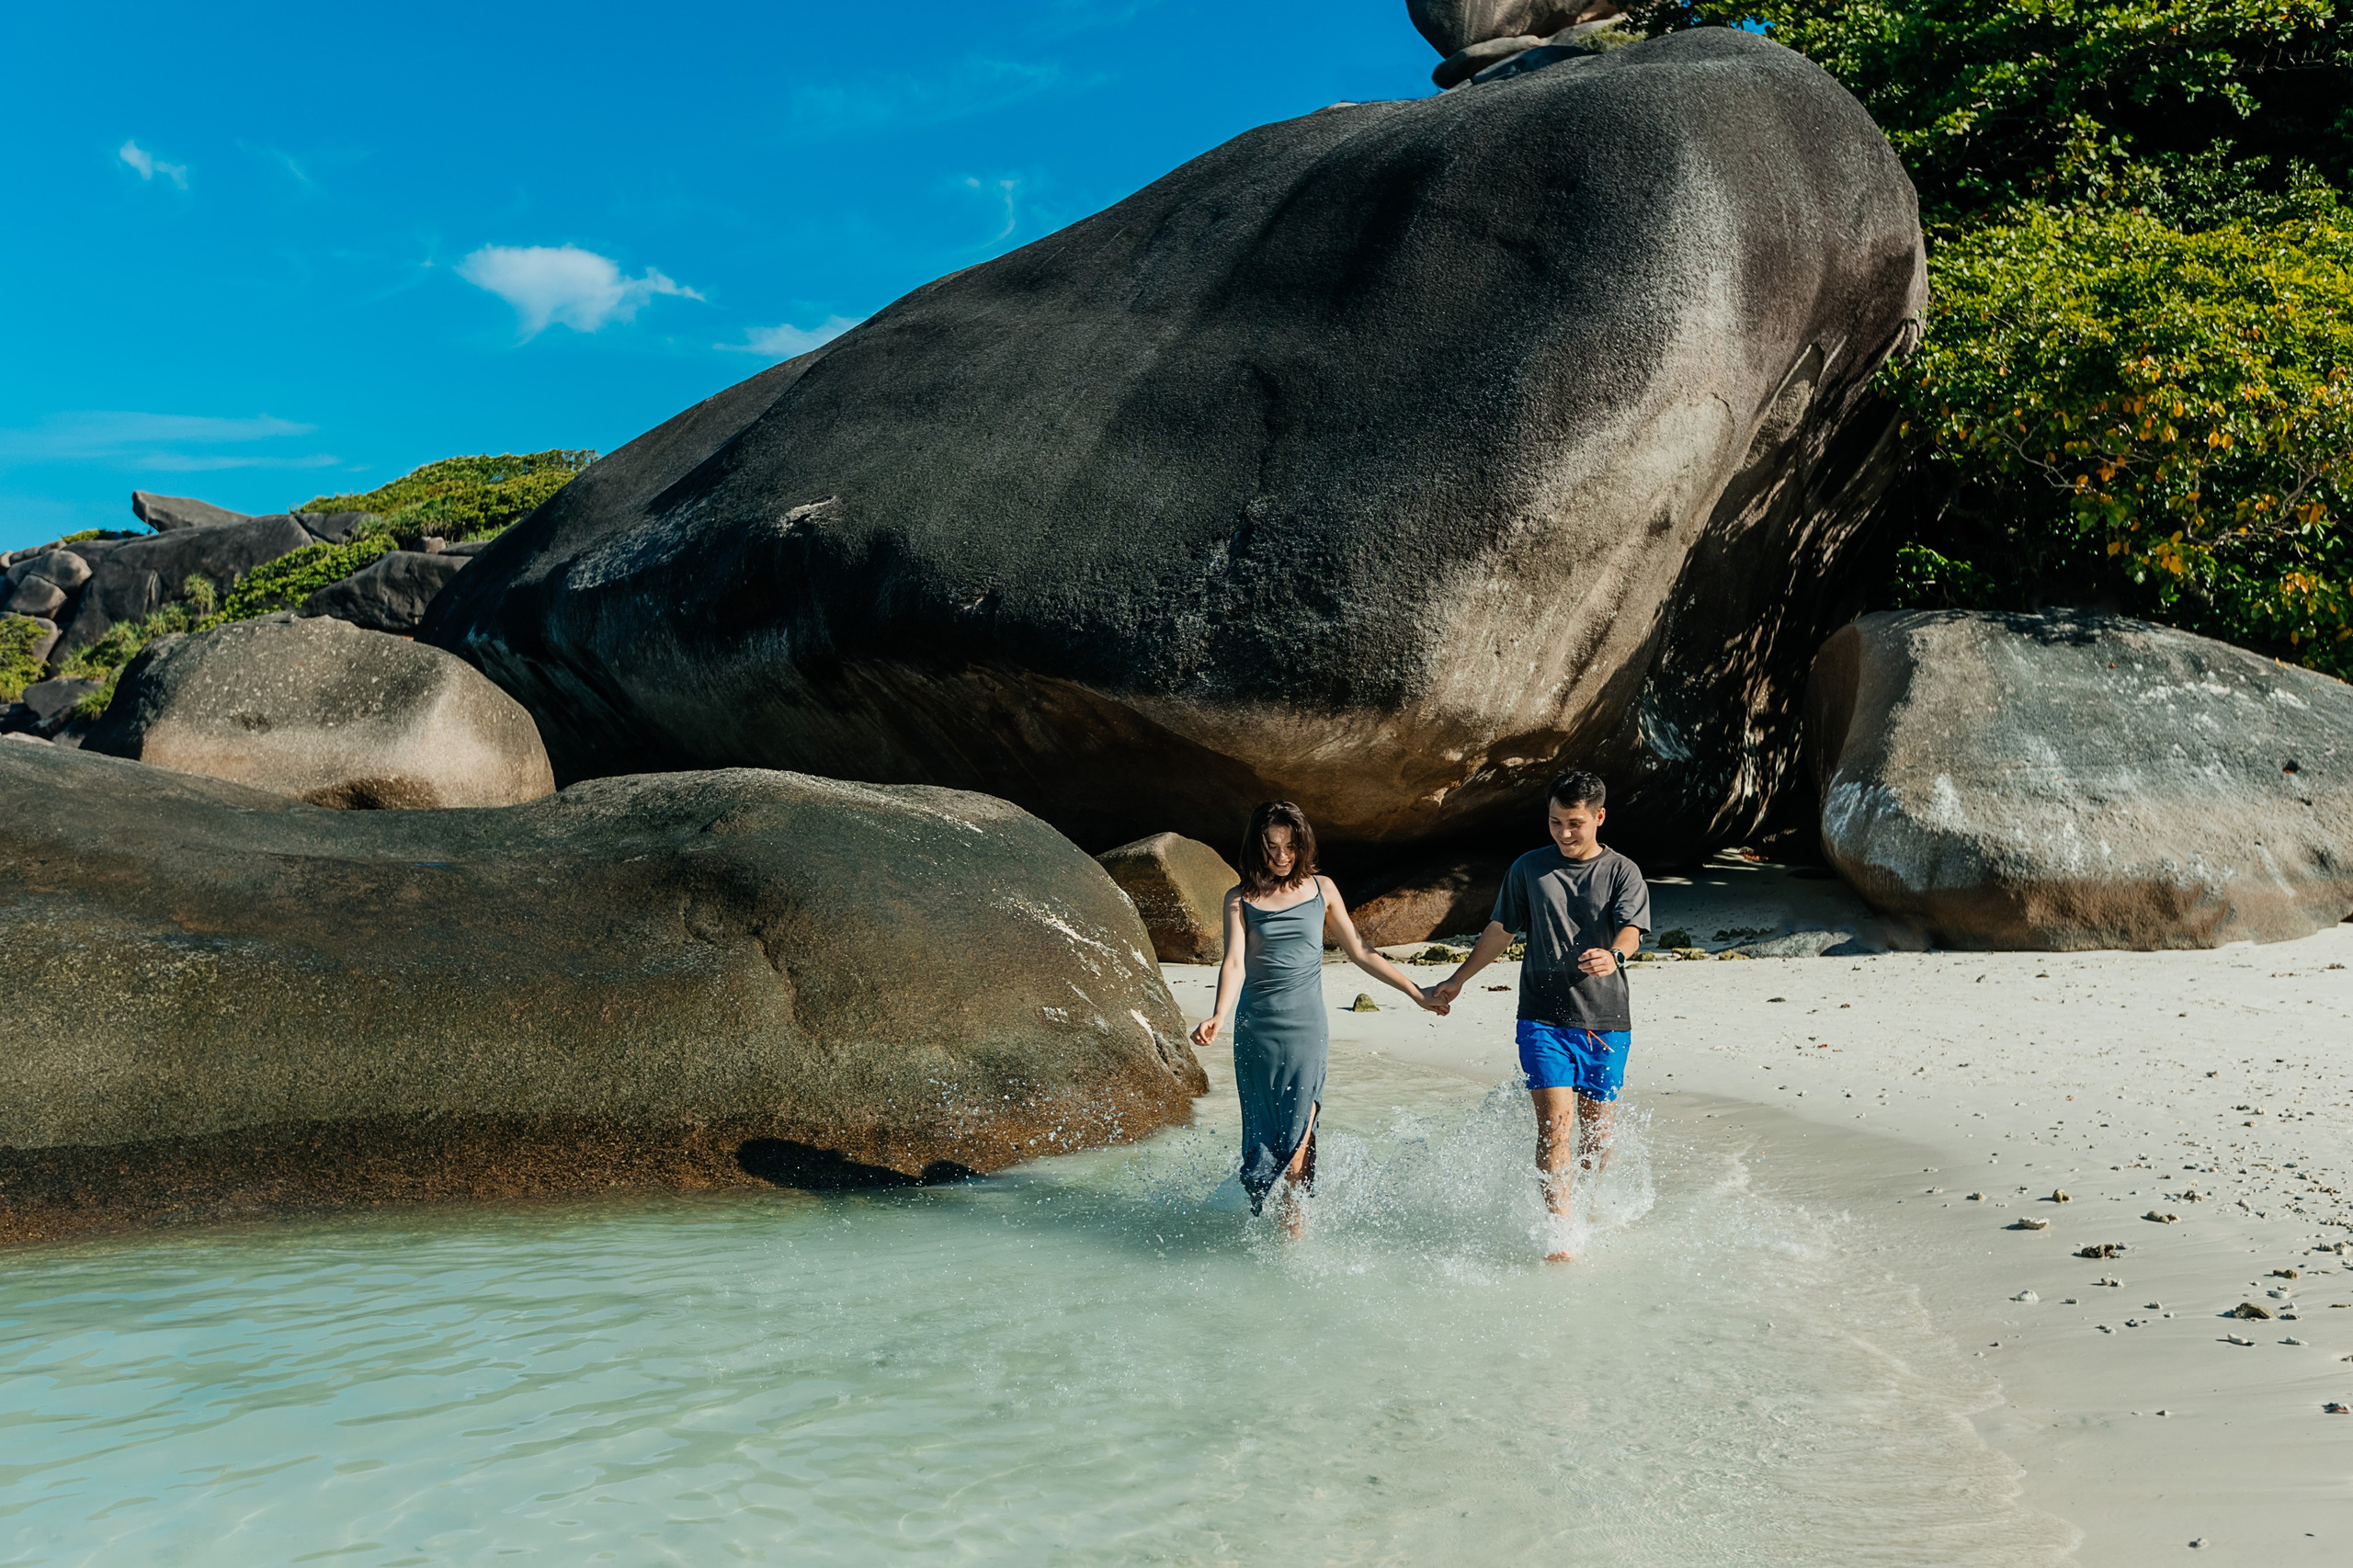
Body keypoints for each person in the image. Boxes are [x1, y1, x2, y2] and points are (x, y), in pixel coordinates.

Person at [1192, 801, 1447, 1231]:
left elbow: (1360, 951)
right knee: (1265, 1137)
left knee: (1300, 1136)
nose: (1282, 856)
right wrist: (1218, 1013)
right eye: (1272, 847)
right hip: (1257, 1030)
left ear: (1303, 844)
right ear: (1257, 846)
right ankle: (1272, 1229)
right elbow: (1234, 962)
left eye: (1291, 846)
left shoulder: (1322, 889)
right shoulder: (1240, 898)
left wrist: (1416, 992)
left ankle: (1293, 1233)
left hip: (1307, 1030)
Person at [1432, 770, 1649, 1260]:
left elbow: (1632, 930)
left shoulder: (1622, 871)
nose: (1564, 833)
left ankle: (1588, 1205)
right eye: (1555, 822)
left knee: (1598, 1133)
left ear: (1599, 816)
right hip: (1542, 1018)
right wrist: (1459, 979)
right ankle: (1561, 1233)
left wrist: (1614, 955)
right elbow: (1499, 931)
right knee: (1554, 1126)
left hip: (1604, 1019)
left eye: (1575, 823)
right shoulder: (1529, 868)